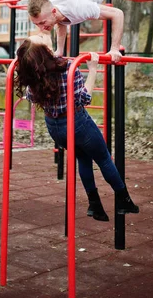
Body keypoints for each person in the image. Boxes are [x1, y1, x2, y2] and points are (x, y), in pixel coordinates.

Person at [15, 37, 139, 220]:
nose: (42, 34)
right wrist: (92, 69)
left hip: (55, 128)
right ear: (45, 51)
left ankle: (94, 204)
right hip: (77, 123)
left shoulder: (32, 75)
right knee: (104, 158)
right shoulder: (68, 68)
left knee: (83, 157)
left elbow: (32, 98)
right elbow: (84, 98)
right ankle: (124, 200)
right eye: (40, 38)